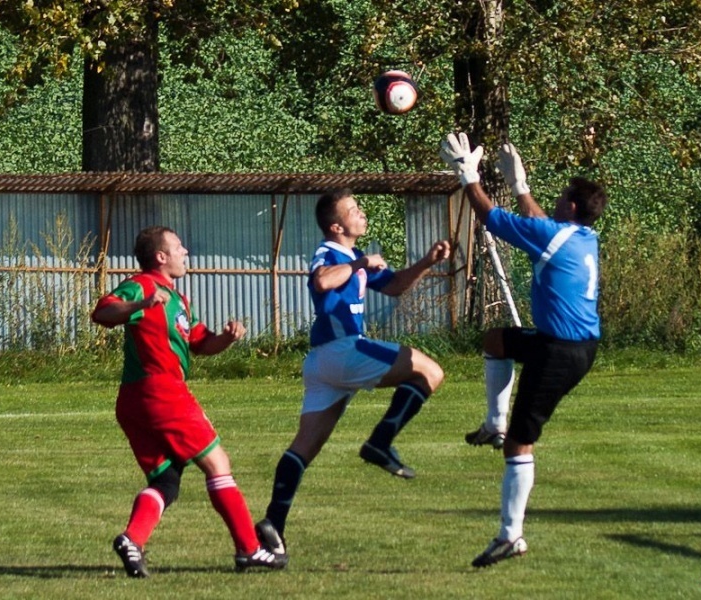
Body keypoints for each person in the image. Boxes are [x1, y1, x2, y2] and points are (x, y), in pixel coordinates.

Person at [253, 189, 450, 566]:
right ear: (336, 225)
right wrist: (360, 263)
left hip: (324, 363)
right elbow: (322, 281)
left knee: (303, 448)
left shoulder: (351, 257)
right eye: (354, 210)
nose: (362, 214)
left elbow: (393, 286)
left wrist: (426, 261)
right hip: (342, 349)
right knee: (431, 371)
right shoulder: (331, 251)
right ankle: (380, 443)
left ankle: (272, 530)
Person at [440, 133, 607, 568]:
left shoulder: (556, 235)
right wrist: (520, 187)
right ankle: (493, 423)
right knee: (496, 340)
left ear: (570, 207)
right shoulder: (583, 237)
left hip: (561, 352)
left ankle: (510, 536)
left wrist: (468, 176)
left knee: (520, 444)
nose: (553, 202)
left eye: (561, 197)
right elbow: (539, 226)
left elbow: (490, 218)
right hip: (568, 344)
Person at [91, 225, 286, 577]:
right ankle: (250, 548)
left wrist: (225, 338)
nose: (186, 252)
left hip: (136, 400)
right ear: (161, 257)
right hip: (162, 392)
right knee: (217, 464)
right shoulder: (144, 285)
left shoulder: (177, 299)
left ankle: (132, 539)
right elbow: (103, 312)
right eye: (179, 247)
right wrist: (140, 304)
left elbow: (199, 342)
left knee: (166, 482)